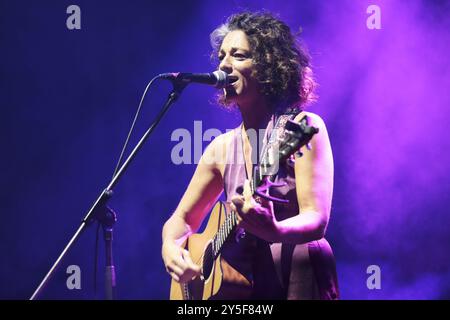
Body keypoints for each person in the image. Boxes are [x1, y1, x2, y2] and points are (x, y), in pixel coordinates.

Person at [161, 11, 339, 300]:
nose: (223, 64)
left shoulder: (303, 128)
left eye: (238, 55)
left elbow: (317, 218)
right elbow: (181, 219)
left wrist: (276, 230)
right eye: (221, 56)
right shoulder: (220, 148)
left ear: (270, 66)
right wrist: (171, 248)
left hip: (297, 272)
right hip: (243, 287)